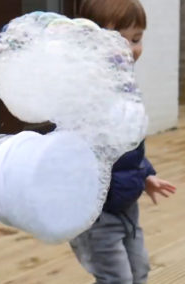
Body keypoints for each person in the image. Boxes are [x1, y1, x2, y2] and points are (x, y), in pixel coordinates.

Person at [69, 1, 177, 283]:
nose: (130, 48)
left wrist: (145, 174)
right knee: (116, 278)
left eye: (136, 39)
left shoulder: (124, 86)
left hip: (126, 204)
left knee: (139, 270)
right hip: (95, 213)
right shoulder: (80, 91)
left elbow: (128, 145)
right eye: (119, 39)